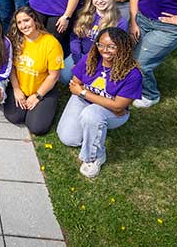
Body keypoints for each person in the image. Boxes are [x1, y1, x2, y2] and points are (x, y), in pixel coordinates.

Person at [57, 28, 143, 178]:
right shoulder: (90, 58)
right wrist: (88, 95)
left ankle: (94, 157)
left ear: (122, 47)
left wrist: (85, 93)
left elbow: (118, 106)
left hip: (113, 113)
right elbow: (74, 84)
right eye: (101, 45)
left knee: (92, 114)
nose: (105, 50)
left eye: (112, 46)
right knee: (68, 138)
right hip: (84, 101)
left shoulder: (132, 73)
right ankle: (93, 128)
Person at [4, 7, 63, 135]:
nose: (23, 25)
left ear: (35, 20)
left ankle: (47, 105)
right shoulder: (15, 40)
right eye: (19, 22)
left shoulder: (51, 43)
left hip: (43, 90)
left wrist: (38, 96)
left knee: (37, 127)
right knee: (15, 117)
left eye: (26, 20)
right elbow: (12, 67)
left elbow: (54, 76)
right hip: (21, 87)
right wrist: (16, 89)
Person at [64, 0, 127, 83]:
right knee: (64, 75)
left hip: (103, 60)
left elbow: (117, 49)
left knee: (93, 81)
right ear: (91, 0)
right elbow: (75, 38)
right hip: (82, 55)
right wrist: (78, 60)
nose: (100, 1)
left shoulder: (119, 22)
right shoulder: (84, 15)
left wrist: (95, 63)